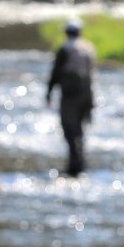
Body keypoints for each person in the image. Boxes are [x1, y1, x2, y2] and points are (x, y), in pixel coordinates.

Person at [46, 19, 96, 176]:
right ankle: (81, 163)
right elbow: (91, 75)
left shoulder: (64, 49)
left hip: (70, 95)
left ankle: (74, 166)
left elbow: (55, 73)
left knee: (69, 128)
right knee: (80, 129)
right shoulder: (89, 48)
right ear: (80, 32)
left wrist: (48, 92)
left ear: (66, 32)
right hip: (87, 94)